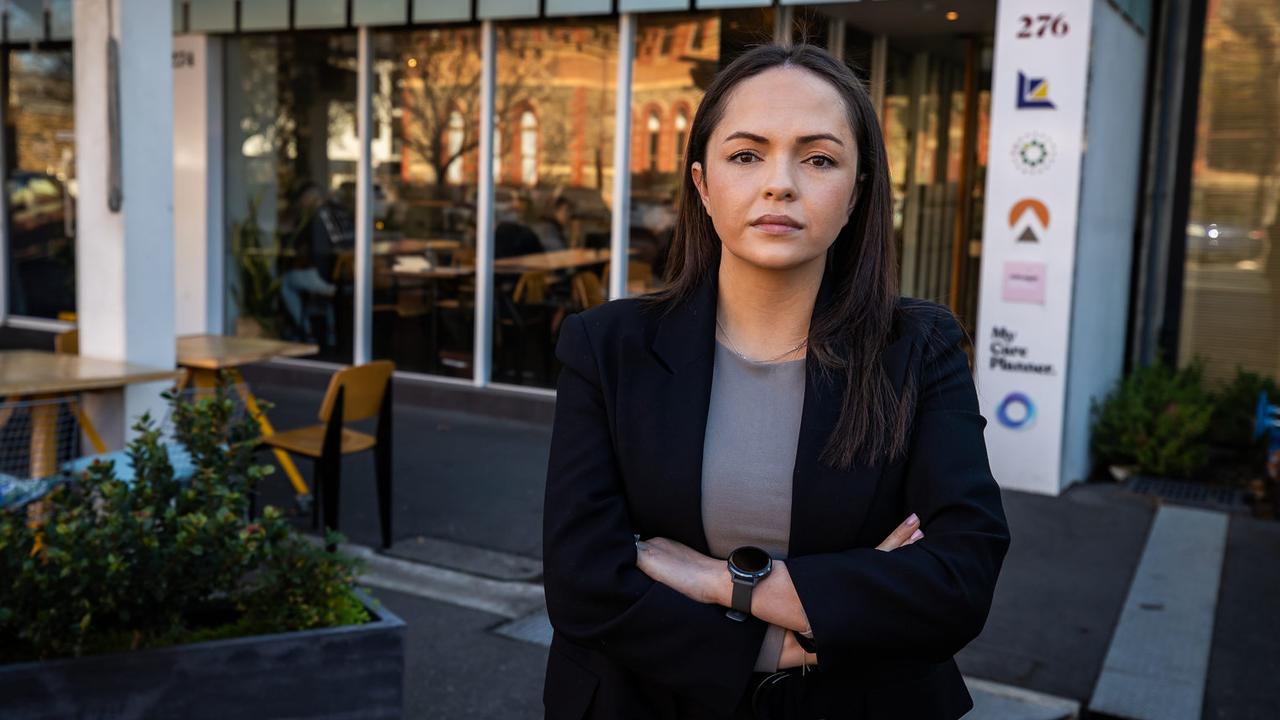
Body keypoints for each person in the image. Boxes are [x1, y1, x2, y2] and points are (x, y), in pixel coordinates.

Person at [542, 43, 1010, 720]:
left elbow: (959, 580)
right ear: (702, 185)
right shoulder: (607, 347)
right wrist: (797, 641)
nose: (780, 183)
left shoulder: (918, 349)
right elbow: (585, 583)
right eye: (746, 154)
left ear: (857, 194)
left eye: (819, 158)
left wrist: (722, 581)